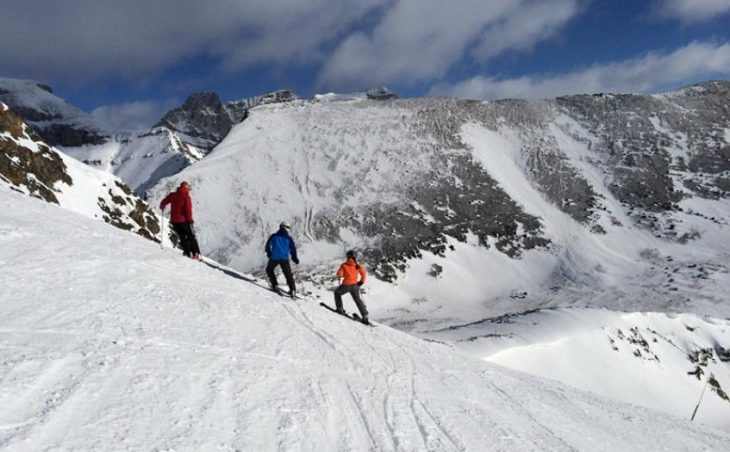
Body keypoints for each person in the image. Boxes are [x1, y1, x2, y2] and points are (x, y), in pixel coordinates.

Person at [160, 181, 201, 260]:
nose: (189, 189)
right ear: (186, 188)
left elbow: (164, 201)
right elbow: (188, 210)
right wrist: (190, 220)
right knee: (191, 236)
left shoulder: (173, 195)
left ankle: (187, 252)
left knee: (182, 236)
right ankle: (195, 253)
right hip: (183, 220)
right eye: (188, 188)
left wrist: (162, 206)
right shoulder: (186, 197)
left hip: (174, 220)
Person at [265, 221, 299, 297]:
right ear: (287, 228)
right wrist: (294, 258)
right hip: (284, 259)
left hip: (274, 258)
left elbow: (267, 246)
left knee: (269, 269)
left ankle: (275, 285)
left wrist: (269, 254)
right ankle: (292, 290)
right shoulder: (289, 238)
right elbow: (292, 249)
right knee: (288, 274)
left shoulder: (273, 236)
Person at [334, 250, 369, 325]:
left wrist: (340, 275)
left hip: (346, 285)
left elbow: (339, 274)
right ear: (355, 257)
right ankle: (365, 315)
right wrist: (361, 282)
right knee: (358, 300)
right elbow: (363, 274)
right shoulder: (357, 265)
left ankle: (340, 309)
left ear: (347, 256)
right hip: (355, 286)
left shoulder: (344, 265)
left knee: (337, 293)